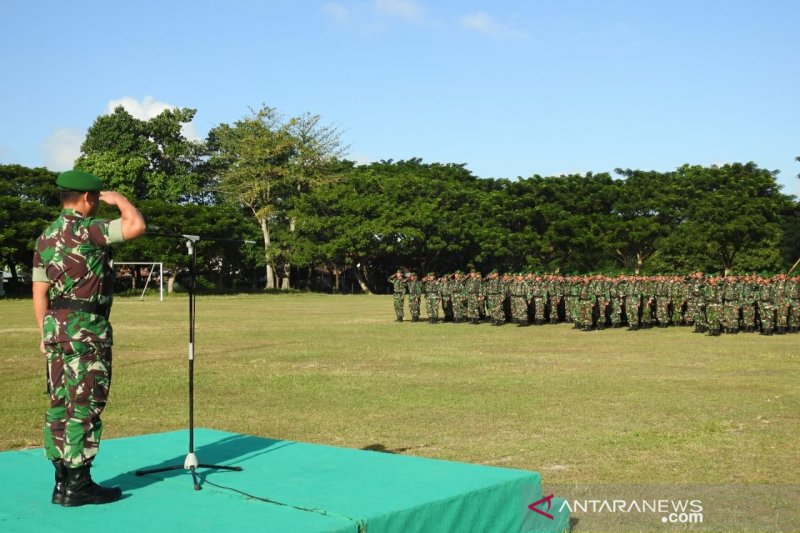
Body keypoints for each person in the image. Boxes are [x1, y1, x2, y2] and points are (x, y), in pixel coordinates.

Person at [32, 170, 146, 507]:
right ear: (87, 198)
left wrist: (44, 332)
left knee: (59, 403)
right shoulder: (90, 229)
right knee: (85, 405)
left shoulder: (46, 236)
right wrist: (121, 200)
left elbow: (40, 291)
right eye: (97, 197)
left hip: (55, 329)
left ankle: (61, 481)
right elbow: (136, 225)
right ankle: (78, 484)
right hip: (86, 329)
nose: (98, 202)